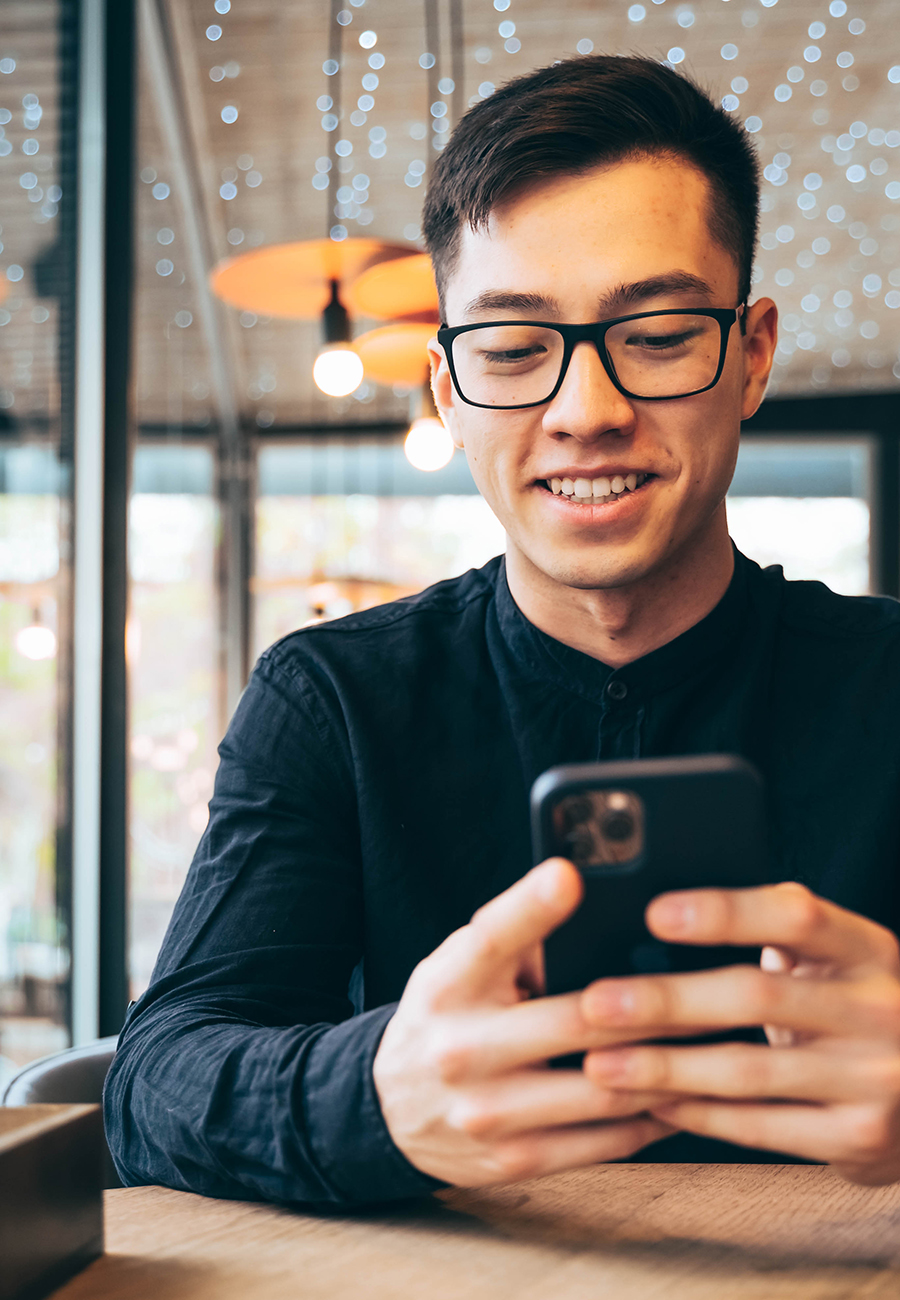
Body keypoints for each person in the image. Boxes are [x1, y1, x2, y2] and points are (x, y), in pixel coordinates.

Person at [105, 54, 900, 1206]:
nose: (588, 412)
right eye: (515, 349)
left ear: (753, 354)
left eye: (662, 332)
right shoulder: (332, 698)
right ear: (445, 391)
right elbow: (154, 1080)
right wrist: (374, 1094)